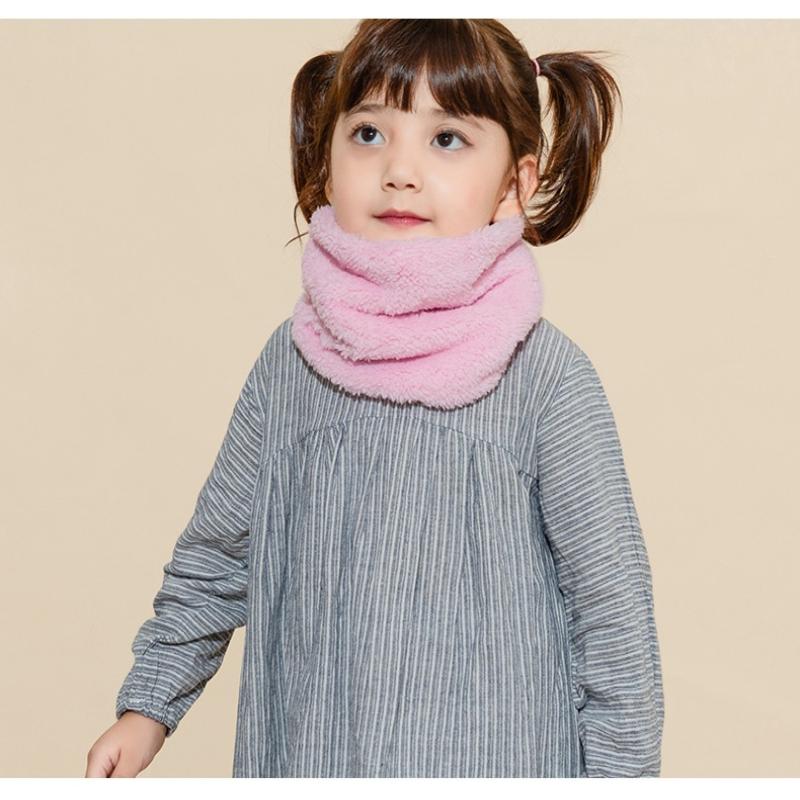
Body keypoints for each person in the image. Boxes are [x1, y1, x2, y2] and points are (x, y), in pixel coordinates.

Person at [86, 19, 664, 779]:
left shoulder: (546, 379)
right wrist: (148, 705)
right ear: (326, 168)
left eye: (447, 139)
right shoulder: (291, 365)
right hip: (309, 760)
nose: (399, 170)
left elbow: (614, 623)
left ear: (515, 185)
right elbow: (216, 557)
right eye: (368, 134)